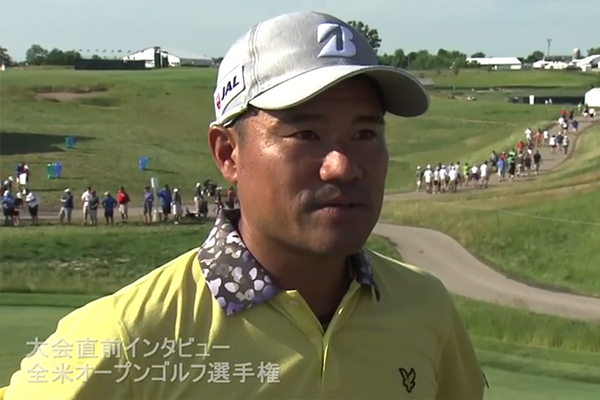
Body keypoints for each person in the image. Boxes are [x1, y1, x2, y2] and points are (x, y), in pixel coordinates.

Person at [1, 11, 485, 400]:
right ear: (228, 154)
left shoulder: (425, 305)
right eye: (306, 134)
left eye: (364, 133)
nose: (342, 166)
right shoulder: (128, 335)